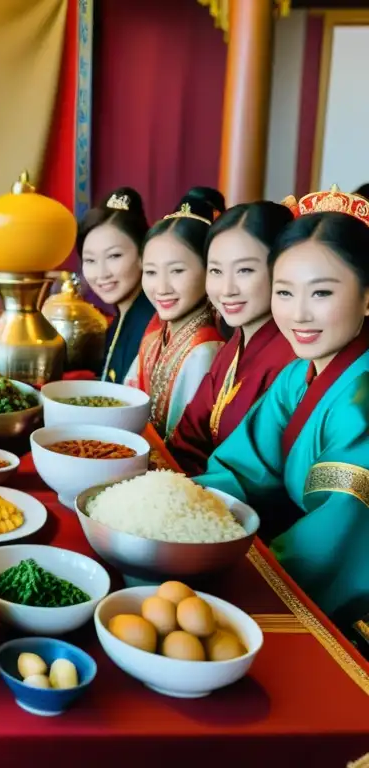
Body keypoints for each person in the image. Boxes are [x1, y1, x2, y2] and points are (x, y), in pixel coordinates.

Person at [194, 192, 369, 634]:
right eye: (284, 292)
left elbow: (335, 536)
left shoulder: (362, 403)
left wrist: (238, 581)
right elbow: (243, 468)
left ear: (368, 297)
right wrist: (174, 510)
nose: (298, 314)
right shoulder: (298, 375)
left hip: (345, 605)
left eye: (322, 293)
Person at [169, 202, 296, 474]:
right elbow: (188, 436)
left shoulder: (293, 360)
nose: (226, 289)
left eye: (245, 270)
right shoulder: (234, 346)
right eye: (215, 271)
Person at [125, 188, 226, 438]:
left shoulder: (204, 350)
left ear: (209, 270)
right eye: (151, 272)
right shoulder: (156, 335)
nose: (161, 288)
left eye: (177, 271)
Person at [78, 187, 154, 383]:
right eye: (90, 260)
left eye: (114, 256)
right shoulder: (120, 318)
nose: (102, 273)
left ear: (142, 255)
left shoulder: (152, 327)